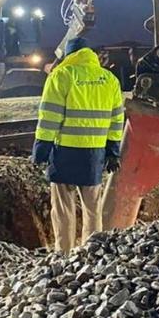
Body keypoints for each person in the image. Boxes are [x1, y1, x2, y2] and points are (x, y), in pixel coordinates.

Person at [32, 37, 124, 252]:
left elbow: (49, 116)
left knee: (63, 207)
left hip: (65, 151)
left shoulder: (61, 75)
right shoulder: (109, 79)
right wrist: (113, 151)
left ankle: (63, 253)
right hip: (94, 154)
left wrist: (41, 148)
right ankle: (91, 253)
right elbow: (117, 119)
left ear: (69, 55)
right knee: (93, 208)